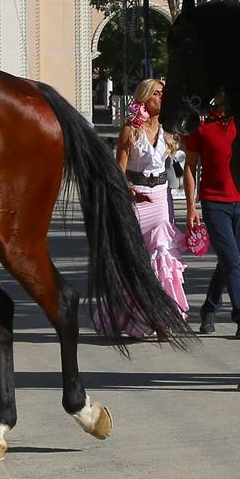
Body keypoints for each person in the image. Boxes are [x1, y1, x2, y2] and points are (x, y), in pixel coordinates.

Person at [96, 78, 189, 337]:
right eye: (157, 94)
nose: (162, 97)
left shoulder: (168, 128)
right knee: (136, 261)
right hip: (137, 200)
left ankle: (162, 318)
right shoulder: (131, 128)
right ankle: (129, 316)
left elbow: (188, 155)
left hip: (160, 197)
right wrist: (128, 190)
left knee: (162, 255)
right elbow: (118, 169)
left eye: (163, 94)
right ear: (145, 97)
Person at [183, 92, 240, 339]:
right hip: (214, 204)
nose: (225, 96)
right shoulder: (200, 126)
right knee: (232, 262)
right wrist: (192, 206)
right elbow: (189, 167)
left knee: (228, 262)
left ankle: (209, 309)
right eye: (221, 92)